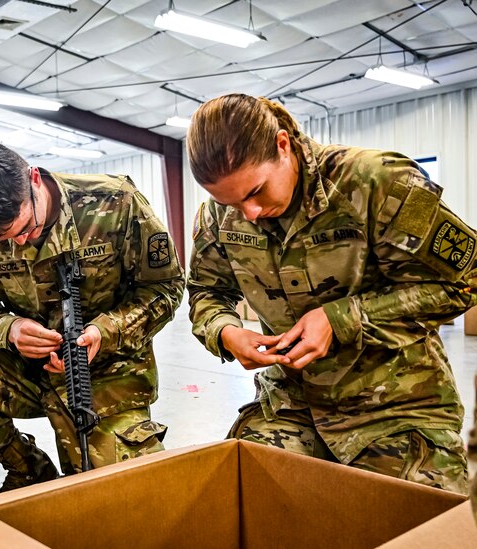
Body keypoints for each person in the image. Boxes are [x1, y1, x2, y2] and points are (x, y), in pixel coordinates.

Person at [186, 93, 475, 494]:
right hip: (292, 405)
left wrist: (341, 319)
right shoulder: (219, 215)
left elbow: (464, 281)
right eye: (229, 201)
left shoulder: (377, 183)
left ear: (282, 145)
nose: (247, 213)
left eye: (255, 192)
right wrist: (225, 332)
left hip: (396, 406)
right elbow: (206, 291)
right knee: (236, 501)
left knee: (424, 523)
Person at [0, 140, 184, 491]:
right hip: (25, 367)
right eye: (3, 239)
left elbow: (165, 289)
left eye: (26, 228)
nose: (20, 243)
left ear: (34, 179)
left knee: (117, 494)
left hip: (108, 370)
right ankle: (27, 467)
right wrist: (11, 329)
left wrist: (104, 332)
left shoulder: (116, 201)